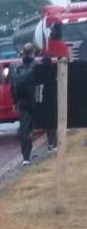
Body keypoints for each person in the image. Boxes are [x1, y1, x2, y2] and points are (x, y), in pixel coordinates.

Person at [44, 22, 70, 152]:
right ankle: (55, 141)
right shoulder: (60, 47)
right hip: (59, 86)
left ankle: (52, 142)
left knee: (52, 117)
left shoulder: (49, 48)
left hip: (52, 88)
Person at [11, 43, 37, 165]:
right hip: (34, 100)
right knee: (44, 123)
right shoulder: (35, 65)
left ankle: (26, 157)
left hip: (22, 102)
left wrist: (15, 102)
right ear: (32, 52)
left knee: (24, 129)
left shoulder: (17, 67)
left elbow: (13, 87)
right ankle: (51, 145)